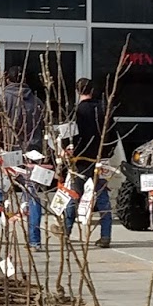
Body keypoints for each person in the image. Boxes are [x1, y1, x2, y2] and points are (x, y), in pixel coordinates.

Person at [0, 66, 49, 246]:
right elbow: (43, 126)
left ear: (7, 79)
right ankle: (34, 239)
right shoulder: (37, 102)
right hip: (33, 154)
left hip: (8, 152)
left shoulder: (2, 100)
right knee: (33, 196)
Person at [62, 77, 113, 248]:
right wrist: (107, 152)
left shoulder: (76, 112)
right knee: (103, 198)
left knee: (74, 196)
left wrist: (67, 149)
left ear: (78, 92)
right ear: (92, 91)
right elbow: (113, 134)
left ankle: (66, 232)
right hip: (100, 159)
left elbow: (67, 135)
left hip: (81, 160)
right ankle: (105, 235)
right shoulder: (104, 111)